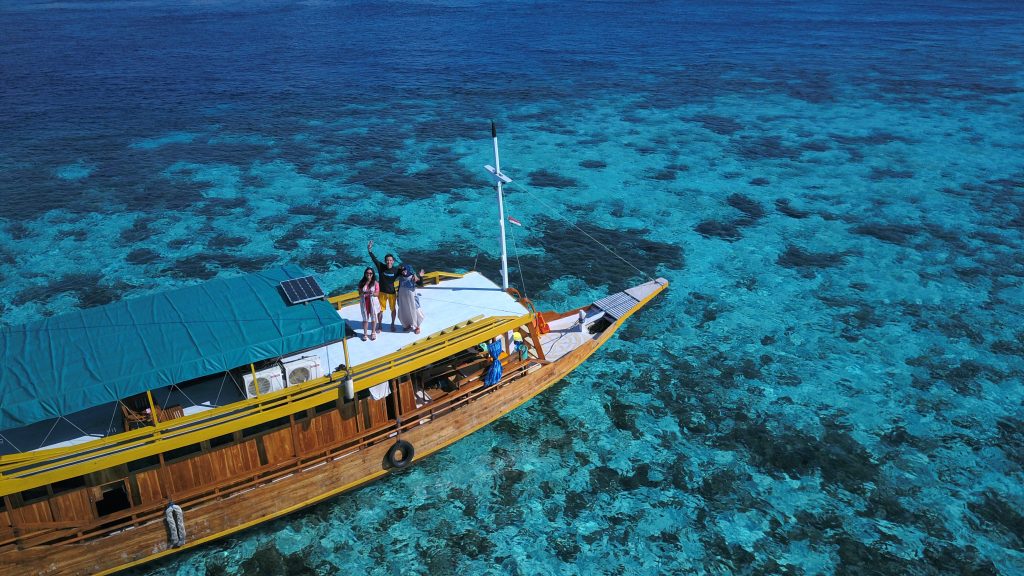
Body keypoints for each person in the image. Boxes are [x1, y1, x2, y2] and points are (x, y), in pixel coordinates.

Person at [368, 240, 400, 332]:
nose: (389, 262)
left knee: (393, 310)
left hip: (392, 293)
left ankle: (393, 324)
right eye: (387, 260)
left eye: (390, 260)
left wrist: (415, 276)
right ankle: (380, 325)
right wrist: (369, 250)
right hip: (381, 292)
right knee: (380, 310)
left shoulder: (396, 270)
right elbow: (374, 259)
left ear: (393, 261)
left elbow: (406, 273)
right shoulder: (381, 267)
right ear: (385, 261)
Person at [396, 264, 424, 334]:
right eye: (402, 270)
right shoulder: (401, 277)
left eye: (405, 269)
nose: (403, 271)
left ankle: (417, 326)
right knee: (405, 311)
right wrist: (398, 296)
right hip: (402, 296)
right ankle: (407, 324)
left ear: (408, 269)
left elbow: (420, 284)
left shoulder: (412, 277)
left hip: (411, 297)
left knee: (415, 310)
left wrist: (421, 276)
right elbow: (399, 286)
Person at [357, 267, 380, 341]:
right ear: (365, 274)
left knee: (374, 318)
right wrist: (363, 293)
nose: (369, 274)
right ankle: (365, 334)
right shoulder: (361, 283)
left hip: (373, 303)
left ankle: (373, 332)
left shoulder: (376, 283)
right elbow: (359, 294)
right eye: (367, 273)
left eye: (370, 273)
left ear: (373, 274)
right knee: (365, 319)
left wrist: (372, 293)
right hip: (364, 303)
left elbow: (377, 294)